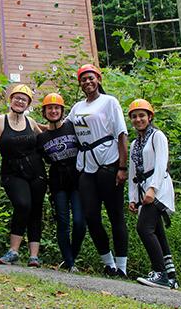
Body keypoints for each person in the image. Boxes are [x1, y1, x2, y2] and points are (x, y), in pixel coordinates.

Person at [67, 63, 129, 277]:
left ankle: (122, 267)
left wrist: (122, 166)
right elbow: (61, 128)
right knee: (91, 216)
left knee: (115, 216)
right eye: (83, 79)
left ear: (98, 79)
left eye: (91, 78)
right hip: (86, 166)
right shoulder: (77, 108)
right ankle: (108, 262)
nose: (87, 82)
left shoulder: (109, 102)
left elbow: (121, 134)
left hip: (109, 163)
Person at [0, 84, 47, 267]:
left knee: (35, 210)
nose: (20, 101)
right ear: (10, 100)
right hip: (12, 173)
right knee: (22, 204)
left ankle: (33, 256)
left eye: (24, 99)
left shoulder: (31, 122)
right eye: (17, 97)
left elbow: (45, 137)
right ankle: (13, 251)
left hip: (37, 173)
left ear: (28, 104)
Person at [127, 99, 178, 289]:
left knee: (144, 228)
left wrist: (152, 189)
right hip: (143, 188)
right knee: (157, 232)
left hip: (159, 188)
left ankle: (160, 273)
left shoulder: (157, 136)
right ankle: (171, 276)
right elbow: (133, 173)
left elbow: (161, 164)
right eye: (134, 116)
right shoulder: (134, 144)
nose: (138, 119)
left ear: (150, 117)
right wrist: (132, 198)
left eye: (142, 115)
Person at [37, 93, 85, 273]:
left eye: (56, 108)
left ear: (62, 110)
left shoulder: (71, 127)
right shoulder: (41, 138)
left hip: (77, 179)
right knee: (63, 222)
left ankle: (71, 255)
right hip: (58, 182)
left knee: (80, 221)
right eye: (50, 108)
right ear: (44, 112)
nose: (53, 110)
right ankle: (70, 262)